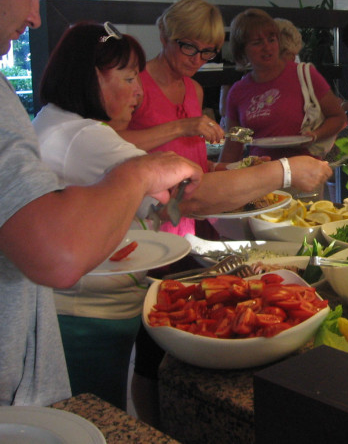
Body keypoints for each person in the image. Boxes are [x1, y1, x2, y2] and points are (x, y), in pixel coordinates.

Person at [33, 21, 332, 415]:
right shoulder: (85, 138)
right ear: (91, 78)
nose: (138, 92)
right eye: (128, 78)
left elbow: (165, 198)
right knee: (96, 420)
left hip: (87, 304)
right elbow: (192, 198)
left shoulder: (57, 121)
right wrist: (286, 171)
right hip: (85, 315)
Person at [0, 0, 203, 407]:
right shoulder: (78, 134)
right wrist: (139, 175)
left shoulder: (51, 118)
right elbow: (57, 254)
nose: (34, 16)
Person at [120, 0, 227, 237]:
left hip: (190, 220)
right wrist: (180, 127)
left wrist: (220, 168)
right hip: (149, 223)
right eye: (189, 47)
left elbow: (186, 158)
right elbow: (111, 144)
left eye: (207, 52)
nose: (197, 59)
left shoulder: (194, 90)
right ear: (164, 36)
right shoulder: (136, 84)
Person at [219, 8, 347, 163]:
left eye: (271, 40)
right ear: (242, 51)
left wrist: (315, 135)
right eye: (257, 43)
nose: (267, 47)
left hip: (303, 170)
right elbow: (234, 145)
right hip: (261, 172)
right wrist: (218, 172)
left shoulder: (303, 75)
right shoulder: (238, 92)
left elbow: (338, 117)